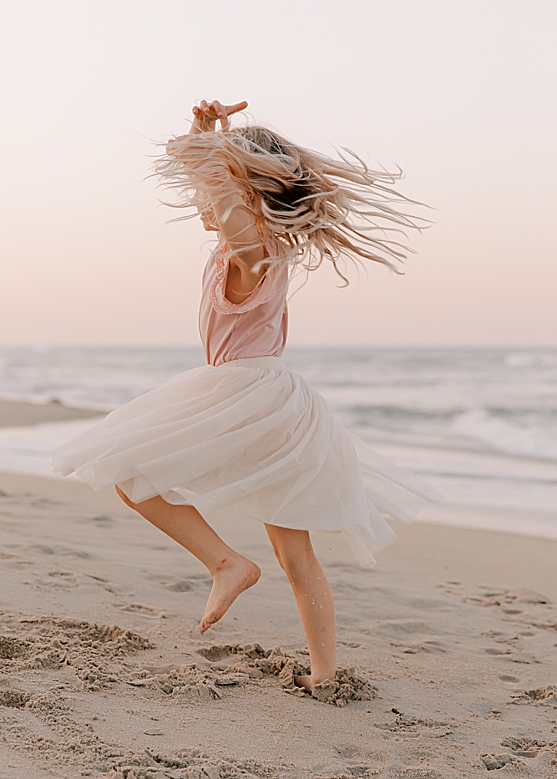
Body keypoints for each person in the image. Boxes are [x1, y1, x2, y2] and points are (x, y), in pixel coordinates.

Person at [53, 99, 438, 689]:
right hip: (273, 404)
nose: (203, 202)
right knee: (295, 556)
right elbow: (213, 189)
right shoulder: (255, 250)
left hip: (248, 394)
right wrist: (204, 135)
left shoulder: (251, 252)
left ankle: (227, 562)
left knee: (126, 469)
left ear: (241, 191)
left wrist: (213, 151)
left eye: (217, 191)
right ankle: (325, 678)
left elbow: (228, 203)